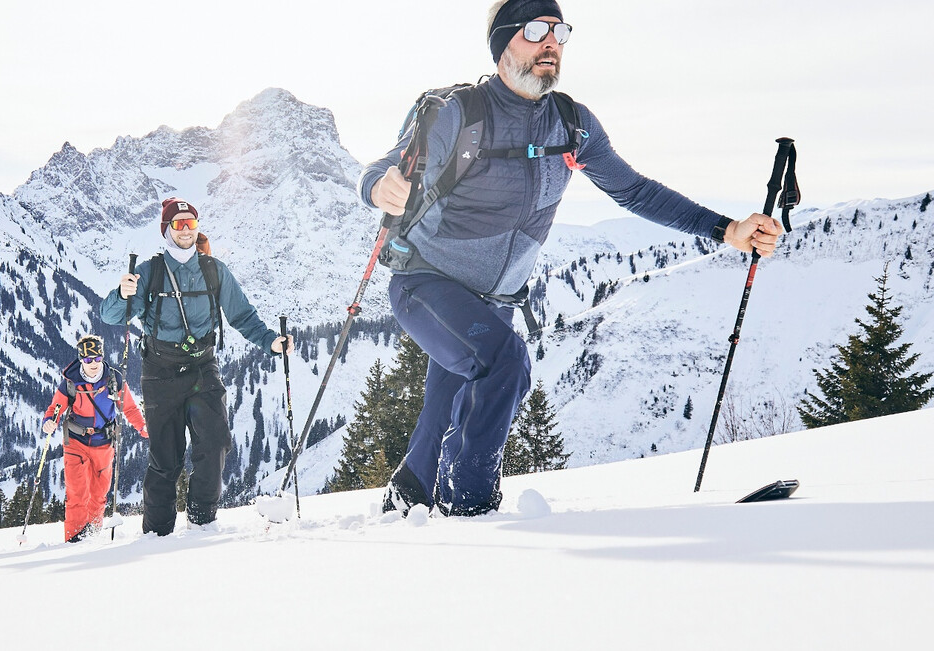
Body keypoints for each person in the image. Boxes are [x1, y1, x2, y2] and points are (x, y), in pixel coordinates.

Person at [359, 0, 783, 517]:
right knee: (505, 361)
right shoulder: (460, 113)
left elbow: (635, 191)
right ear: (503, 44)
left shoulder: (572, 125)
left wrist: (726, 229)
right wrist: (379, 186)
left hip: (496, 301)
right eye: (536, 30)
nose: (551, 43)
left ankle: (403, 509)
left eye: (560, 32)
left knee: (441, 417)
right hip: (426, 285)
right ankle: (468, 508)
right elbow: (386, 164)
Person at [100, 198, 293, 535]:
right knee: (165, 458)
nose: (186, 230)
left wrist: (271, 342)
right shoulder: (148, 272)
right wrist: (121, 292)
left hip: (203, 367)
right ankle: (156, 534)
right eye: (178, 224)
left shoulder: (213, 270)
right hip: (160, 372)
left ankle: (203, 523)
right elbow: (111, 315)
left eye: (191, 224)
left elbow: (242, 315)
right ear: (167, 230)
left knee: (215, 442)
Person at [42, 335, 147, 542]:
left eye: (97, 358)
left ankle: (92, 535)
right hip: (76, 442)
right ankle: (74, 539)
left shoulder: (114, 380)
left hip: (104, 444)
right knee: (77, 493)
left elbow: (129, 408)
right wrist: (49, 420)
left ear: (102, 357)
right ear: (81, 359)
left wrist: (142, 427)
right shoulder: (71, 383)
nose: (93, 364)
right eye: (88, 359)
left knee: (99, 495)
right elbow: (56, 407)